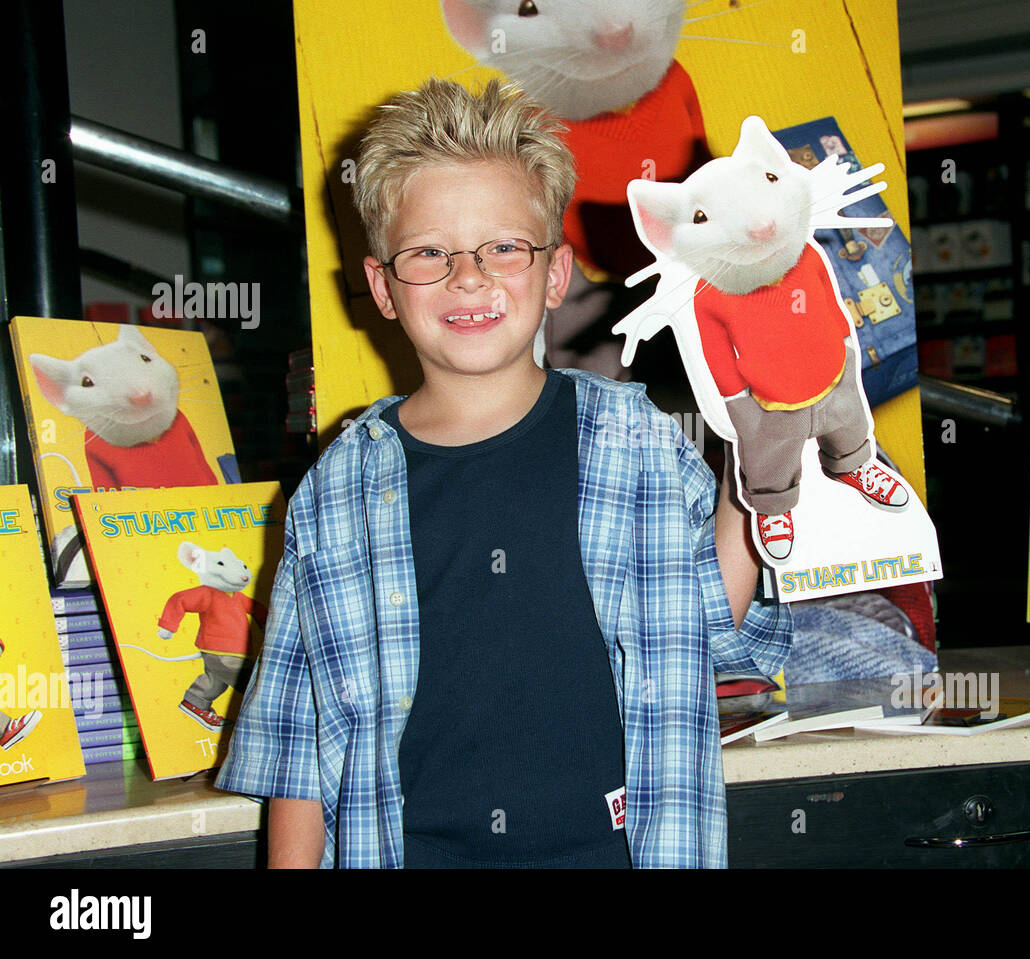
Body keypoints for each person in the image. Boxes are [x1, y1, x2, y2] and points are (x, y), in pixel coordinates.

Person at [215, 76, 791, 868]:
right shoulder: (339, 484)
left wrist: (754, 460)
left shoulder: (636, 440)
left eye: (504, 247)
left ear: (555, 273)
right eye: (430, 252)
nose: (470, 276)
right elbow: (297, 743)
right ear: (382, 285)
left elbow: (706, 625)